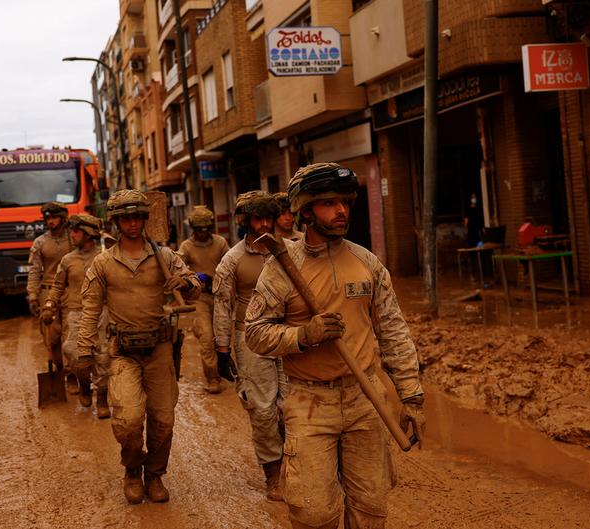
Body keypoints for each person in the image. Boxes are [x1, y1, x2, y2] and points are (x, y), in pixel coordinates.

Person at [245, 162, 425, 529]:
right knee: (313, 514)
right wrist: (302, 336)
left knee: (371, 510)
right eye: (329, 203)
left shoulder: (367, 263)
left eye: (345, 202)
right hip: (311, 403)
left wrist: (411, 395)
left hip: (365, 397)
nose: (341, 210)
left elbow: (393, 331)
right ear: (306, 211)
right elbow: (254, 334)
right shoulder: (280, 268)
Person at [77, 189, 200, 505]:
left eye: (137, 216)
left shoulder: (165, 257)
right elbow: (90, 308)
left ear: (145, 219)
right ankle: (132, 469)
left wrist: (184, 283)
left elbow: (195, 287)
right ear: (116, 222)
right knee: (128, 421)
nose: (132, 222)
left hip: (160, 351)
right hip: (123, 353)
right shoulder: (103, 263)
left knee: (163, 420)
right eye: (125, 217)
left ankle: (155, 475)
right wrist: (83, 350)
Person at [212, 190, 286, 501]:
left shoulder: (290, 251)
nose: (265, 223)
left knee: (293, 406)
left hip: (289, 336)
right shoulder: (232, 260)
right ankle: (273, 472)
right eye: (258, 218)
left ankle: (299, 465)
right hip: (250, 340)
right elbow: (222, 305)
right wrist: (222, 349)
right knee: (263, 410)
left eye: (269, 217)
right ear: (245, 221)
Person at [41, 214, 111, 418]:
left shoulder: (105, 257)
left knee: (103, 358)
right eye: (71, 231)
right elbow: (57, 287)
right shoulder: (68, 260)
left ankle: (103, 400)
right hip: (75, 313)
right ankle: (84, 385)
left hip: (102, 313)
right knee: (74, 354)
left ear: (89, 234)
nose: (71, 235)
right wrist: (49, 305)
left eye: (75, 231)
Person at [177, 205, 230, 394]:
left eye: (206, 229)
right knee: (207, 337)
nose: (203, 233)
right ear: (193, 229)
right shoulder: (186, 247)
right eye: (199, 230)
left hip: (221, 296)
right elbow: (178, 269)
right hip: (199, 298)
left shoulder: (221, 243)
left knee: (224, 336)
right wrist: (192, 276)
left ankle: (228, 370)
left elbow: (231, 265)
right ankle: (213, 377)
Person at [27, 202, 73, 371]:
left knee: (71, 336)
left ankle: (72, 373)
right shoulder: (40, 243)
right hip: (47, 294)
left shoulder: (73, 239)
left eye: (54, 217)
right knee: (52, 339)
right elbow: (34, 271)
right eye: (48, 218)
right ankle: (59, 367)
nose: (51, 221)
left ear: (63, 218)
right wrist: (32, 294)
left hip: (71, 293)